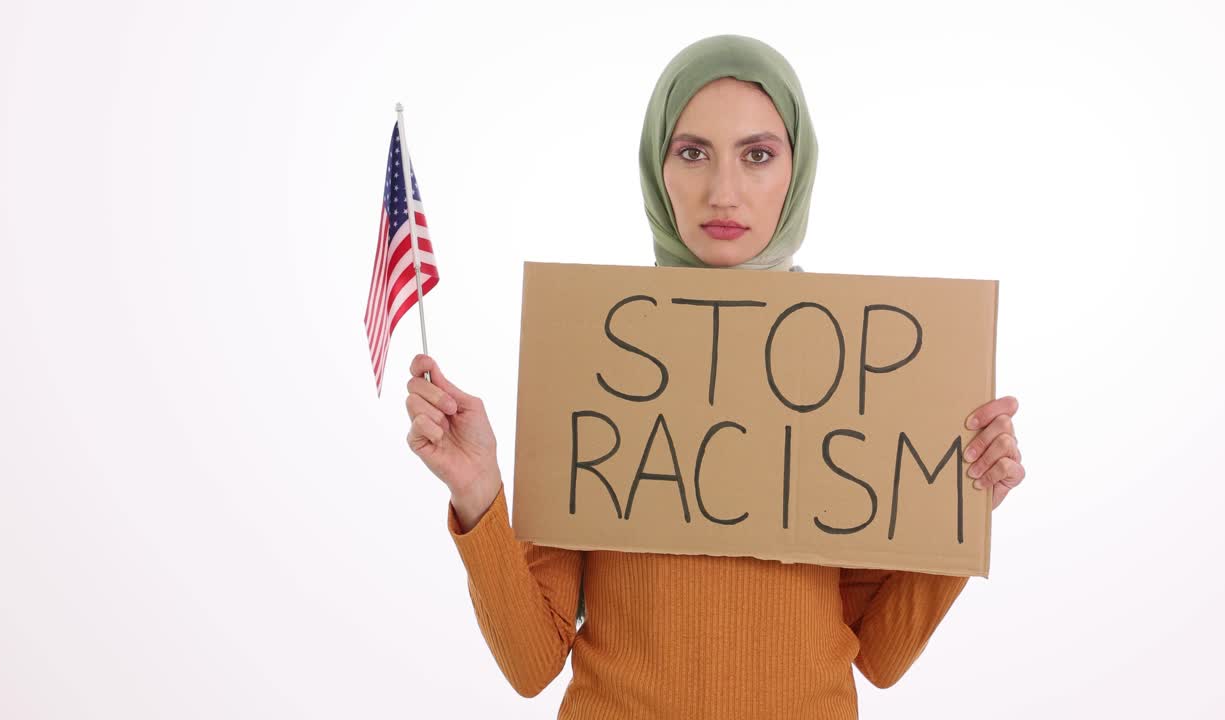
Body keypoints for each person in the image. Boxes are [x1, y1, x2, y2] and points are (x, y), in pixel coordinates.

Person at [403, 34, 1025, 720]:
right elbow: (530, 665)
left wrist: (960, 507)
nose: (723, 193)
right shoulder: (594, 353)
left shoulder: (854, 366)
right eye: (692, 153)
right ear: (657, 167)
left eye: (757, 155)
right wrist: (479, 493)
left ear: (797, 170)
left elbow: (880, 655)